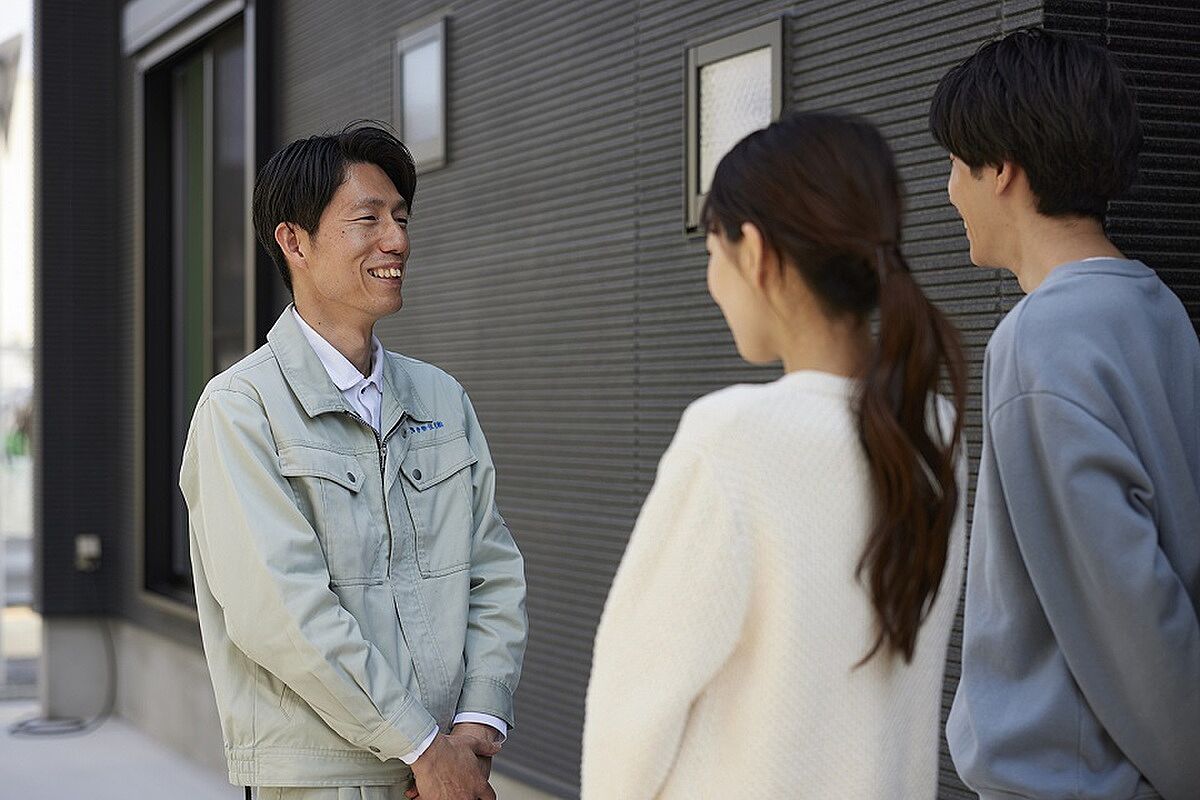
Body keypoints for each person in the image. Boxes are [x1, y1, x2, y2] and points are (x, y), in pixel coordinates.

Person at [581, 111, 968, 798]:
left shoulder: (732, 436)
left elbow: (630, 714)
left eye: (713, 252)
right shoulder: (932, 430)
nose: (713, 280)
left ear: (755, 252)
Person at [179, 124, 527, 800]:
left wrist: (476, 726)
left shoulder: (441, 398)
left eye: (401, 218)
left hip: (448, 770)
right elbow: (283, 613)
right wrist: (421, 745)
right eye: (368, 219)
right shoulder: (240, 410)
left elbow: (493, 569)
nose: (396, 240)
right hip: (323, 780)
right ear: (294, 242)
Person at [931, 29, 1200, 800]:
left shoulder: (1042, 338)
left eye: (957, 164)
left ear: (1002, 170)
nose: (950, 190)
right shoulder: (1158, 311)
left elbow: (1126, 602)